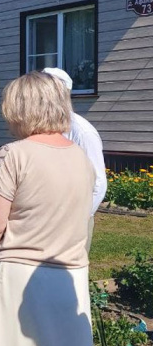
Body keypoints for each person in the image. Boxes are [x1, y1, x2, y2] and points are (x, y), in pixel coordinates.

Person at [0, 71, 96, 346]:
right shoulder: (82, 158)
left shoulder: (14, 154)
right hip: (69, 282)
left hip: (16, 283)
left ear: (21, 109)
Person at [43, 67, 107, 249]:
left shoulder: (82, 131)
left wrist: (77, 219)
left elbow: (99, 183)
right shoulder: (41, 128)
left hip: (72, 222)